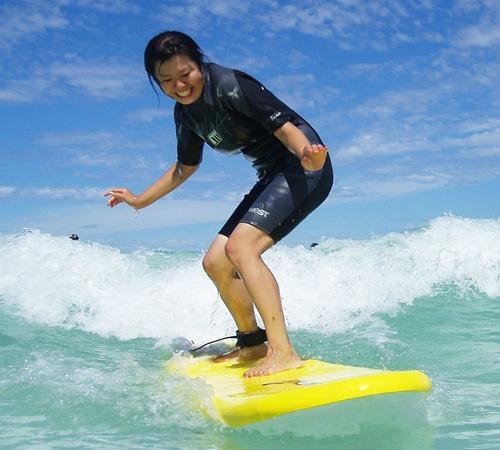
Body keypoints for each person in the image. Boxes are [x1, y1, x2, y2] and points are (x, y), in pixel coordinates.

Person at [105, 31, 333, 378]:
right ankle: (252, 341)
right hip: (272, 175)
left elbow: (286, 128)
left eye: (185, 74)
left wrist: (307, 156)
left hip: (303, 166)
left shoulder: (230, 84)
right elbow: (185, 167)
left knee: (242, 248)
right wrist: (139, 200)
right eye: (166, 80)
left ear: (200, 62)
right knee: (215, 261)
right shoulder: (186, 115)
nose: (179, 86)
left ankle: (283, 351)